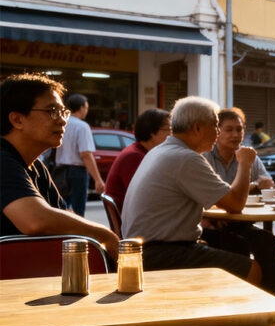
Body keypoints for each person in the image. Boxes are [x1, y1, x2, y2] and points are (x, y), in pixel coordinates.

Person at [121, 96, 261, 286]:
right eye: (215, 125)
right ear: (197, 127)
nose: (218, 132)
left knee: (237, 245)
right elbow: (235, 204)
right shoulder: (186, 158)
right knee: (252, 270)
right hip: (162, 253)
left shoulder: (160, 151)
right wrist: (245, 164)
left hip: (144, 249)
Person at [1, 73, 119, 253]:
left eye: (63, 112)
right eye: (52, 111)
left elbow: (63, 215)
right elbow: (35, 220)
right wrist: (104, 235)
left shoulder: (37, 166)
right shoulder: (3, 160)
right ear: (17, 119)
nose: (63, 120)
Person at [201, 107, 275, 292]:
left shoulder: (247, 155)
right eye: (229, 130)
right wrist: (253, 185)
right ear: (217, 132)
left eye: (239, 129)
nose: (235, 135)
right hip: (211, 225)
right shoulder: (205, 156)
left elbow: (268, 184)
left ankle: (268, 300)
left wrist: (263, 184)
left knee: (271, 244)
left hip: (240, 223)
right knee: (237, 246)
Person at [104, 109, 171, 209]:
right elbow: (146, 195)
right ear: (152, 132)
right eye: (168, 129)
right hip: (135, 219)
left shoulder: (141, 152)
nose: (171, 134)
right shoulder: (134, 156)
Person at [54, 93, 104, 215]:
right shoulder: (82, 126)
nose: (86, 111)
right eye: (86, 108)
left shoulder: (61, 122)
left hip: (60, 170)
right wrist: (98, 179)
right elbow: (86, 154)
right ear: (81, 108)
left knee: (60, 208)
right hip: (77, 172)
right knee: (78, 210)